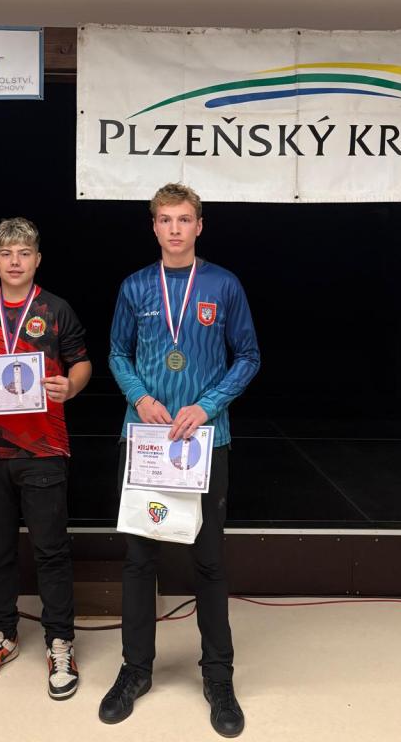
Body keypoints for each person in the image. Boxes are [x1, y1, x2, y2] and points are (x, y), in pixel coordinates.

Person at [99, 184, 260, 738]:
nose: (174, 228)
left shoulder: (224, 284)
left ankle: (218, 676)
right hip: (145, 440)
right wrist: (140, 398)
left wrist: (207, 405)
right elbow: (117, 353)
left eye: (184, 219)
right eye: (165, 219)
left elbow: (249, 357)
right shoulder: (134, 286)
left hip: (205, 442)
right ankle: (135, 670)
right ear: (153, 226)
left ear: (199, 226)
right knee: (139, 559)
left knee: (208, 560)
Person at [0, 217, 92, 699]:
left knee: (51, 550)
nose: (15, 261)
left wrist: (71, 385)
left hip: (44, 449)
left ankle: (60, 641)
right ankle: (3, 634)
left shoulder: (55, 309)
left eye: (24, 253)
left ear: (37, 260)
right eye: (7, 253)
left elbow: (81, 362)